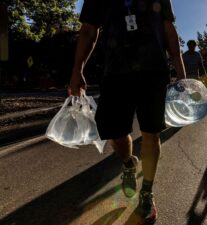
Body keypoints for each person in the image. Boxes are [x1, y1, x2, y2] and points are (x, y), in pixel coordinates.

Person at [69, 0, 186, 224]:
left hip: (154, 70)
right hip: (115, 71)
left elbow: (168, 30)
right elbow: (88, 31)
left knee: (152, 132)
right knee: (114, 131)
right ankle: (129, 163)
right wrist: (77, 69)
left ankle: (147, 193)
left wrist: (182, 76)